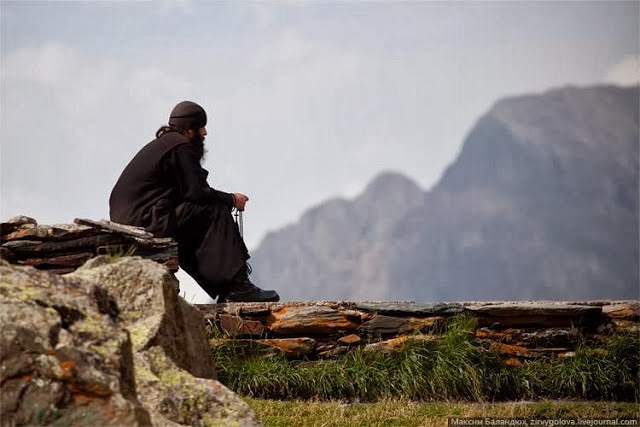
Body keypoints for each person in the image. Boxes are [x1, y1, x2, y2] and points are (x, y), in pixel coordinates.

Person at [109, 100, 280, 303]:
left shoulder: (167, 144)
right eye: (202, 127)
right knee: (215, 210)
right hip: (145, 219)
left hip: (139, 217)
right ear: (190, 131)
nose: (205, 133)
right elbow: (197, 192)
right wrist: (232, 199)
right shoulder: (180, 146)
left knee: (193, 222)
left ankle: (229, 288)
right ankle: (238, 287)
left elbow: (188, 194)